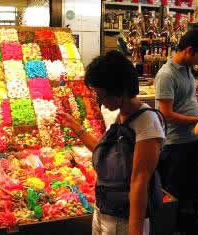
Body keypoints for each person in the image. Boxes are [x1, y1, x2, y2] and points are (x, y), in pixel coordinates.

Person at [57, 50, 165, 235]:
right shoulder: (121, 116)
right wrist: (76, 127)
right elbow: (104, 153)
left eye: (101, 95)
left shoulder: (147, 123)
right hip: (105, 210)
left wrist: (135, 231)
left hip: (124, 220)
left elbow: (139, 181)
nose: (99, 101)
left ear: (120, 91)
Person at [155, 29, 198, 234]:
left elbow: (187, 102)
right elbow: (165, 114)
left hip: (194, 140)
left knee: (193, 190)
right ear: (189, 50)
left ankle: (189, 227)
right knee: (174, 194)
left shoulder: (187, 70)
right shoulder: (166, 75)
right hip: (176, 145)